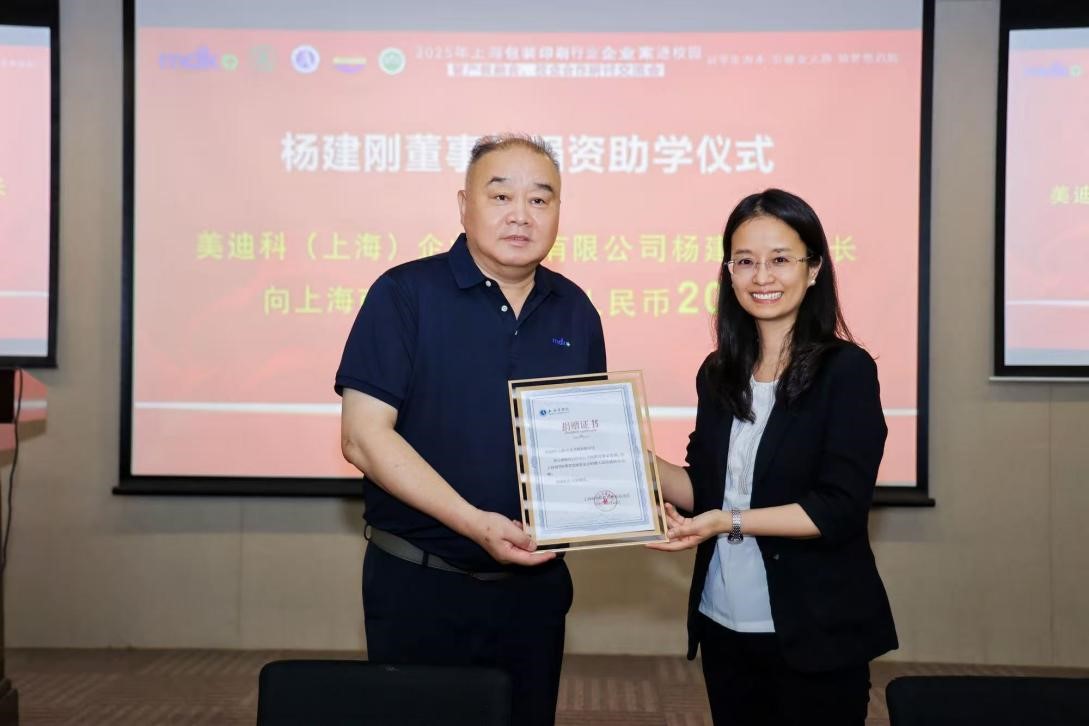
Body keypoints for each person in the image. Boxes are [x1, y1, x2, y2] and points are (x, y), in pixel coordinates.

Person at [335, 133, 605, 726]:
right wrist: (474, 523)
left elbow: (585, 442)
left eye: (540, 199)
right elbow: (363, 437)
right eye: (501, 195)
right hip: (422, 584)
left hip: (534, 592)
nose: (521, 214)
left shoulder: (575, 309)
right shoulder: (404, 294)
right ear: (464, 205)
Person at [649, 188, 897, 726]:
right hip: (724, 619)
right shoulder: (718, 372)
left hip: (814, 627)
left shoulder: (846, 371)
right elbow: (705, 489)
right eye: (745, 261)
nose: (762, 276)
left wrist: (728, 521)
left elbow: (837, 508)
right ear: (728, 273)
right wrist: (630, 460)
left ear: (813, 269)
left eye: (780, 259)